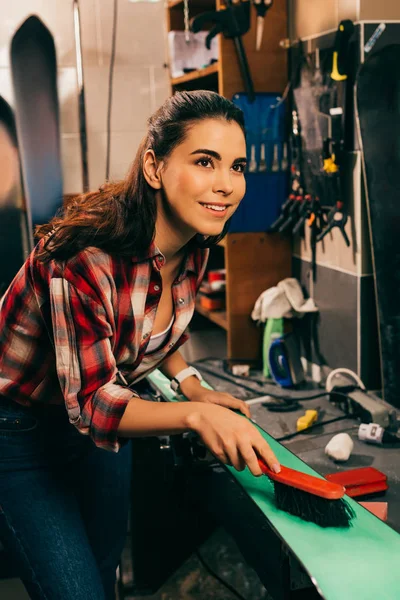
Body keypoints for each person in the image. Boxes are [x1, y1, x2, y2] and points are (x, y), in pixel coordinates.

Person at [0, 90, 280, 600]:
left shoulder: (194, 241)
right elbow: (90, 402)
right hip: (20, 432)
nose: (225, 185)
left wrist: (191, 386)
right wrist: (197, 418)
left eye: (236, 166)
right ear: (154, 167)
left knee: (104, 575)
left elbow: (145, 330)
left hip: (100, 427)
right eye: (204, 161)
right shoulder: (83, 257)